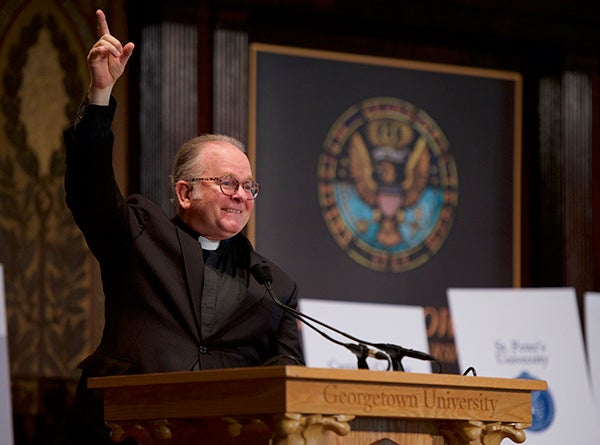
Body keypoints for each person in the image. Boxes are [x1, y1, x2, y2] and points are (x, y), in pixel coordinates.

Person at [59, 9, 304, 444]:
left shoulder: (273, 285)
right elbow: (88, 187)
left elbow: (289, 382)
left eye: (249, 186)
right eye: (227, 182)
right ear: (185, 193)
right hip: (123, 430)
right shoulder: (140, 234)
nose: (241, 194)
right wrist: (101, 93)